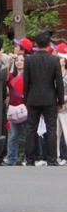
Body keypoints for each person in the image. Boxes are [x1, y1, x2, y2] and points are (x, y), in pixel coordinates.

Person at [23, 30, 64, 166]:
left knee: (30, 128)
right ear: (48, 45)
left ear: (36, 44)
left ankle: (30, 159)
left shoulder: (29, 60)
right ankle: (52, 158)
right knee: (51, 128)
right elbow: (58, 82)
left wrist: (26, 99)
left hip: (33, 98)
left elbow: (26, 81)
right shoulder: (54, 60)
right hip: (50, 98)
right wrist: (60, 100)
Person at [5, 54, 28, 165]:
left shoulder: (28, 76)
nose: (19, 62)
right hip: (13, 110)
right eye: (17, 60)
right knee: (13, 136)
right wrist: (9, 62)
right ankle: (11, 159)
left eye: (22, 60)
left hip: (26, 108)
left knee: (26, 135)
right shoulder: (11, 75)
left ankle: (23, 158)